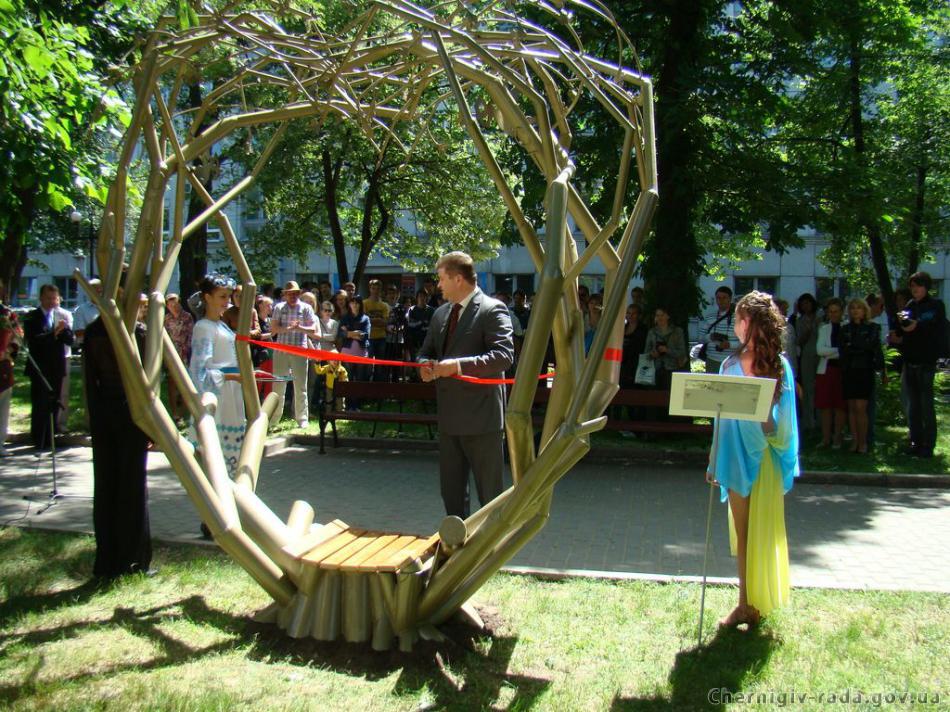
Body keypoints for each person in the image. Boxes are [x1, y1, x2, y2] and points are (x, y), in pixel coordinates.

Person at [707, 291, 799, 628]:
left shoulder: (779, 366)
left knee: (762, 532)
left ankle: (756, 602)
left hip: (764, 460)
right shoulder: (729, 365)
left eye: (738, 318)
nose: (735, 324)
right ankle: (744, 602)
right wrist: (713, 461)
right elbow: (719, 419)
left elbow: (784, 425)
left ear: (750, 323)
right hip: (734, 456)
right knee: (742, 533)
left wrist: (766, 425)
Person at [418, 251, 514, 519]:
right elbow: (425, 352)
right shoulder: (440, 314)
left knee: (490, 497)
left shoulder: (492, 309)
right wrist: (424, 366)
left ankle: (490, 545)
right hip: (449, 419)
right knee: (452, 496)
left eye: (441, 279)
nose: (438, 285)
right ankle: (457, 544)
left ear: (458, 279)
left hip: (482, 420)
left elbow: (503, 357)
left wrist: (457, 366)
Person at [84, 313, 152, 578]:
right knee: (131, 486)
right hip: (131, 414)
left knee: (107, 485)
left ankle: (109, 560)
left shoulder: (95, 330)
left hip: (104, 413)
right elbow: (147, 379)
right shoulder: (136, 331)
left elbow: (90, 382)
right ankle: (132, 560)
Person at [188, 275, 245, 476]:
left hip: (231, 395)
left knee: (231, 454)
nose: (227, 301)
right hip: (217, 397)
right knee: (214, 453)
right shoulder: (203, 327)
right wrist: (232, 376)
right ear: (207, 297)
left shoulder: (221, 325)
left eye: (228, 296)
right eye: (222, 296)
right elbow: (199, 370)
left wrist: (245, 373)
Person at [889, 272, 946, 458]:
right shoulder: (908, 306)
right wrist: (896, 333)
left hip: (927, 361)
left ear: (926, 287)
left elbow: (931, 326)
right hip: (910, 360)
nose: (915, 289)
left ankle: (928, 445)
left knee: (926, 405)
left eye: (919, 285)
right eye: (912, 286)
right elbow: (901, 327)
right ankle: (915, 443)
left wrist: (915, 325)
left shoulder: (936, 305)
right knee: (913, 406)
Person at [23, 284, 74, 450]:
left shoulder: (61, 316)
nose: (52, 301)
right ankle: (39, 438)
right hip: (39, 367)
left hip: (56, 366)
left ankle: (51, 436)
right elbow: (34, 341)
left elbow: (70, 340)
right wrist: (54, 333)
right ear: (41, 298)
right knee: (40, 403)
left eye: (55, 298)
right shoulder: (32, 317)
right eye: (48, 298)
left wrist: (64, 331)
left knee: (54, 402)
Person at [269, 280, 316, 428]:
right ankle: (273, 421)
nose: (293, 296)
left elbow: (313, 329)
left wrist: (299, 327)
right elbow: (274, 329)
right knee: (278, 386)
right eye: (290, 294)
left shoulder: (306, 308)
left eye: (295, 293)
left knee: (300, 386)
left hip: (299, 351)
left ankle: (302, 419)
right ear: (285, 294)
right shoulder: (279, 307)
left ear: (299, 294)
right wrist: (289, 328)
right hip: (281, 351)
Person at [840, 298, 884, 454]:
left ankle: (863, 442)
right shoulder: (845, 329)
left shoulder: (873, 327)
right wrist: (857, 347)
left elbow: (870, 347)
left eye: (859, 307)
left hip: (865, 370)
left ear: (865, 310)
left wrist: (855, 346)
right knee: (851, 407)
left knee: (861, 407)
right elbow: (843, 349)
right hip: (849, 370)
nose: (855, 310)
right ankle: (855, 441)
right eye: (852, 308)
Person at [815, 297, 846, 448]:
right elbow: (820, 350)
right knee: (825, 406)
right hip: (825, 370)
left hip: (842, 371)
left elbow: (847, 351)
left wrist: (831, 352)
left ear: (842, 312)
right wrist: (838, 351)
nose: (833, 314)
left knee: (840, 406)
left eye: (836, 311)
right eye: (831, 311)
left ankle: (837, 437)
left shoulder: (847, 327)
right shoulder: (823, 328)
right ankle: (826, 438)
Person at [790, 293, 819, 431]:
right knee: (808, 388)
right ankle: (809, 421)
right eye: (803, 304)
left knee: (820, 388)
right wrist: (807, 332)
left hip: (822, 355)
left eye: (808, 303)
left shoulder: (820, 318)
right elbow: (798, 341)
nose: (806, 306)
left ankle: (820, 421)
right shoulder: (800, 320)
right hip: (807, 355)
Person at [163, 293, 194, 423]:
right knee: (172, 383)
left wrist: (186, 352)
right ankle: (175, 414)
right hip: (171, 354)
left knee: (186, 383)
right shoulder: (166, 319)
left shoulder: (187, 317)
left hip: (185, 354)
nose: (174, 307)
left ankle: (185, 413)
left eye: (175, 304)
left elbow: (191, 336)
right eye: (171, 305)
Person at [643, 306, 687, 391]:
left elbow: (682, 352)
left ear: (668, 316)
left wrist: (667, 350)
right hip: (655, 370)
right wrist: (652, 354)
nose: (660, 318)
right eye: (657, 315)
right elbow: (646, 353)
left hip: (673, 369)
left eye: (662, 315)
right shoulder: (652, 332)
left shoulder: (677, 331)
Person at [0, 299, 21, 457]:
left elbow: (18, 334)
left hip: (3, 366)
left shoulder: (7, 313)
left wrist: (8, 350)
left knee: (2, 407)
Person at [702, 285, 740, 373]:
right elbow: (701, 339)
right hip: (712, 360)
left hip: (732, 361)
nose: (721, 300)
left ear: (730, 299)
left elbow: (745, 343)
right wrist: (710, 337)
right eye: (718, 298)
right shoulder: (709, 317)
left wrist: (730, 345)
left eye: (724, 298)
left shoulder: (738, 318)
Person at [363, 279, 390, 381]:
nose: (375, 291)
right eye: (373, 288)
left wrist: (372, 320)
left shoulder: (384, 305)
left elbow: (385, 322)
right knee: (368, 364)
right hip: (369, 338)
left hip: (381, 337)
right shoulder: (364, 303)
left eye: (378, 289)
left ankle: (378, 385)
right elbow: (365, 320)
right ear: (370, 289)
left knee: (379, 364)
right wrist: (378, 320)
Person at [406, 289, 435, 368]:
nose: (422, 298)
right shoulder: (412, 310)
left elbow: (433, 326)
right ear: (417, 298)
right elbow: (410, 324)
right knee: (414, 362)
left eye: (424, 296)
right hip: (415, 341)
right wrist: (421, 323)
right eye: (420, 296)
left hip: (427, 341)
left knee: (426, 362)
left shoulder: (431, 310)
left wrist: (423, 325)